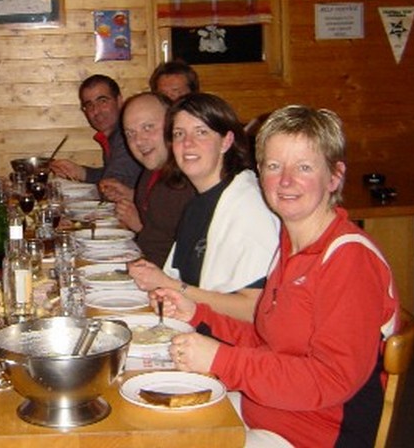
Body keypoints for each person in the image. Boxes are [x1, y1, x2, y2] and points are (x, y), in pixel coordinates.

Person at [156, 105, 400, 448]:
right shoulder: (290, 246)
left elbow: (331, 379)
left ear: (334, 176)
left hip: (313, 435)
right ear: (259, 173)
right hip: (264, 411)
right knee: (157, 422)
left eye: (304, 167)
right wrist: (197, 314)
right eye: (273, 166)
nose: (285, 181)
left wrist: (222, 359)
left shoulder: (349, 260)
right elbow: (268, 340)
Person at [128, 93, 278, 321]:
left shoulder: (249, 206)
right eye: (179, 134)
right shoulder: (197, 204)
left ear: (226, 141)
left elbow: (255, 309)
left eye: (201, 132)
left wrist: (171, 287)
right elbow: (182, 282)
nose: (187, 143)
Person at [109, 92, 195, 267]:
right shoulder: (150, 172)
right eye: (130, 134)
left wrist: (139, 227)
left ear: (173, 125)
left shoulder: (186, 182)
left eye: (148, 127)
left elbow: (183, 260)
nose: (139, 141)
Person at [50, 74, 142, 195]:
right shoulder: (113, 135)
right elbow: (111, 175)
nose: (96, 111)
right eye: (89, 105)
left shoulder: (127, 136)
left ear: (119, 101)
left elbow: (113, 186)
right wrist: (81, 172)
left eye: (103, 101)